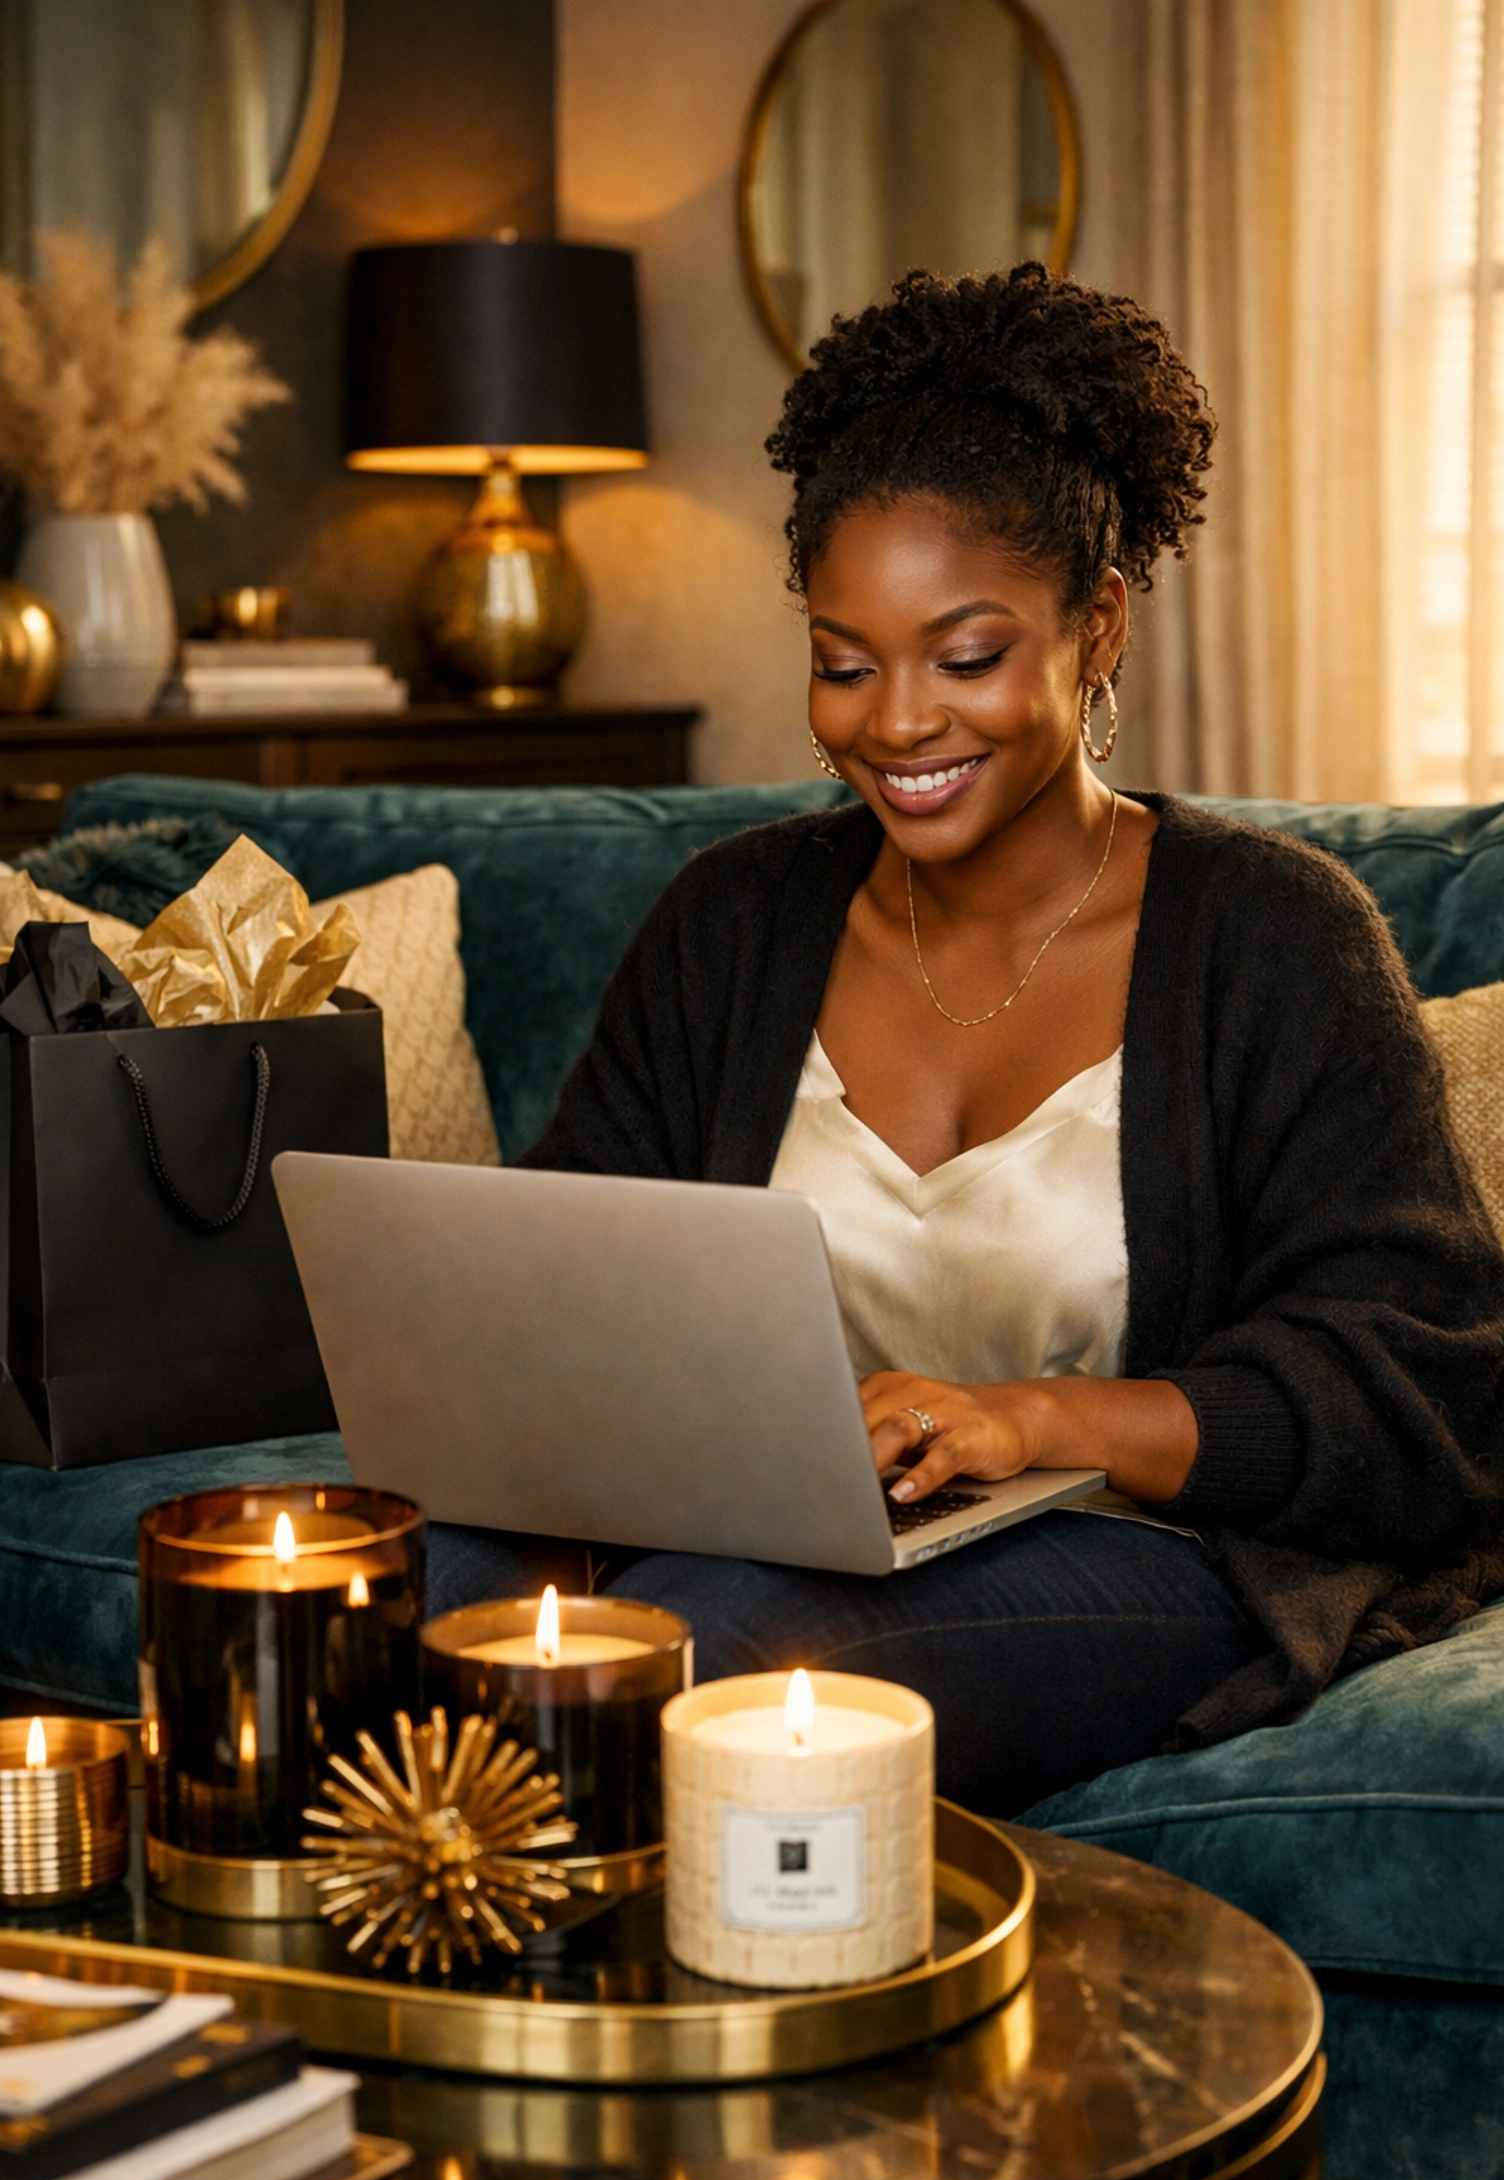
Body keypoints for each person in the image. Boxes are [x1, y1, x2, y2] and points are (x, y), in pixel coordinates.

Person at [428, 264, 1504, 1817]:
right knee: (399, 1598)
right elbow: (580, 1276)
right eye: (845, 662)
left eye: (968, 655)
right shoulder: (734, 926)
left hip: (1145, 1551)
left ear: (1099, 623)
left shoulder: (1273, 938)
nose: (897, 723)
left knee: (708, 1666)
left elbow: (1424, 1389)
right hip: (781, 1518)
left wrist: (1030, 1421)